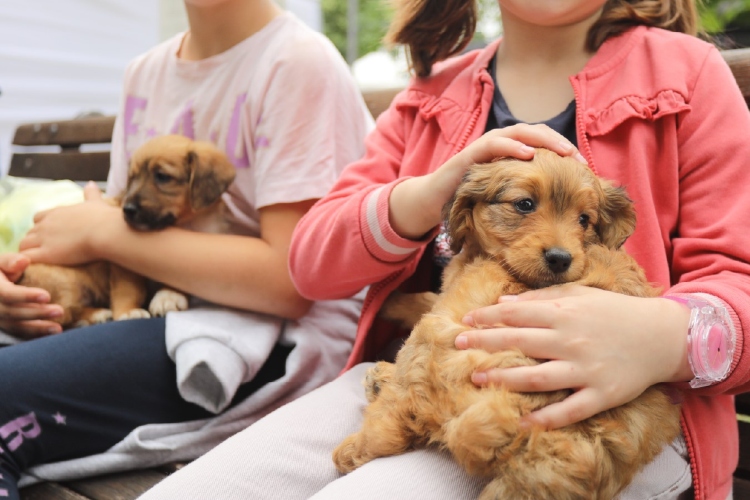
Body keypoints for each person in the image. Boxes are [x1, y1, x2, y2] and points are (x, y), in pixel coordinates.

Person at [138, 1, 750, 499]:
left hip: (600, 414)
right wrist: (425, 194)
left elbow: (739, 276)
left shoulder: (685, 74)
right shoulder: (431, 95)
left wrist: (661, 338)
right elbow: (310, 263)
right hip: (414, 380)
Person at [0, 0, 373, 498]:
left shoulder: (296, 63)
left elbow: (292, 283)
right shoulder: (146, 73)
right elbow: (117, 214)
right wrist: (20, 280)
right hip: (159, 311)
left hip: (273, 342)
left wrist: (100, 233)